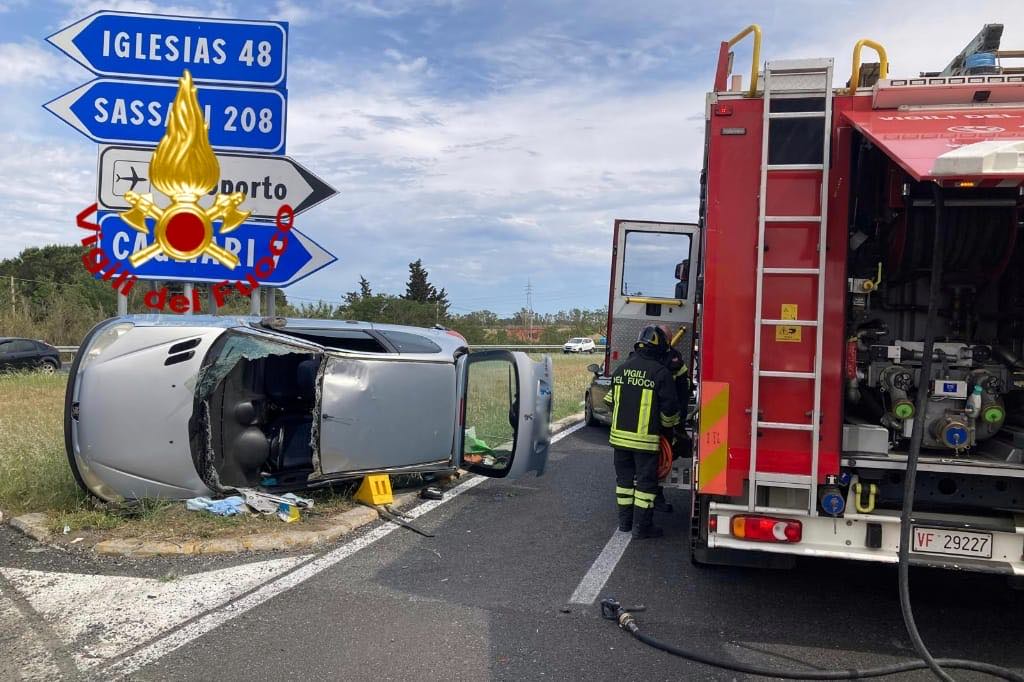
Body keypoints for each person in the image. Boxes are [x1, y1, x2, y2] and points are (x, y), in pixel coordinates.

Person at [603, 325, 682, 538]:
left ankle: (625, 523)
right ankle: (642, 527)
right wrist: (668, 431)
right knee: (646, 485)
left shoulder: (621, 369)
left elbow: (609, 400)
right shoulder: (661, 373)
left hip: (619, 441)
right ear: (659, 348)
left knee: (624, 484)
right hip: (645, 442)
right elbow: (669, 411)